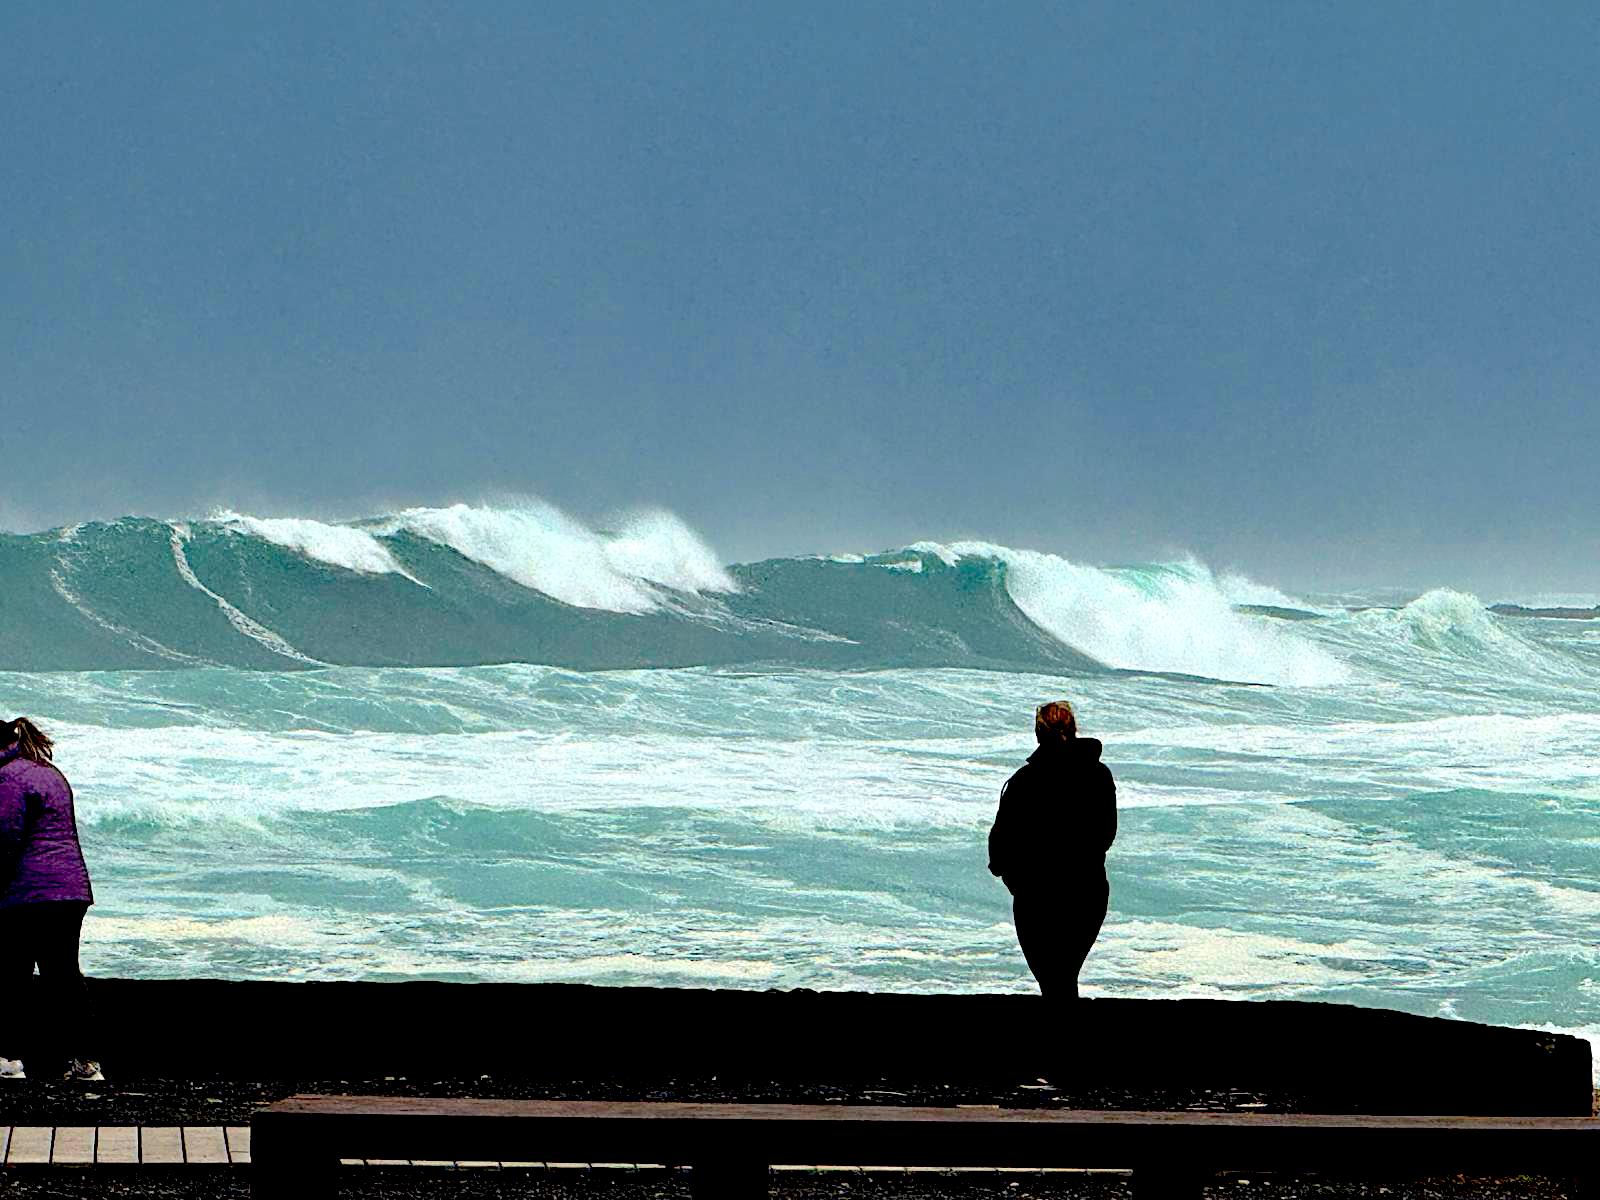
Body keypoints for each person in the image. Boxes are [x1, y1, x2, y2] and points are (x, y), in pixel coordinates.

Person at [988, 700, 1117, 998]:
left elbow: (1001, 842)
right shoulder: (1099, 775)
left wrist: (1011, 877)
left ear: (1038, 733)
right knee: (1064, 976)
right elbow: (1106, 833)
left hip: (1036, 895)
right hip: (1087, 891)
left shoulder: (1024, 780)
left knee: (1053, 980)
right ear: (1073, 730)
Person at [0, 717, 102, 1081]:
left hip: (30, 892)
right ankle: (85, 1063)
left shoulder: (7, 777)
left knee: (12, 974)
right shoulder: (48, 772)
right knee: (63, 976)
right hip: (70, 888)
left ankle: (8, 1060)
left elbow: (5, 836)